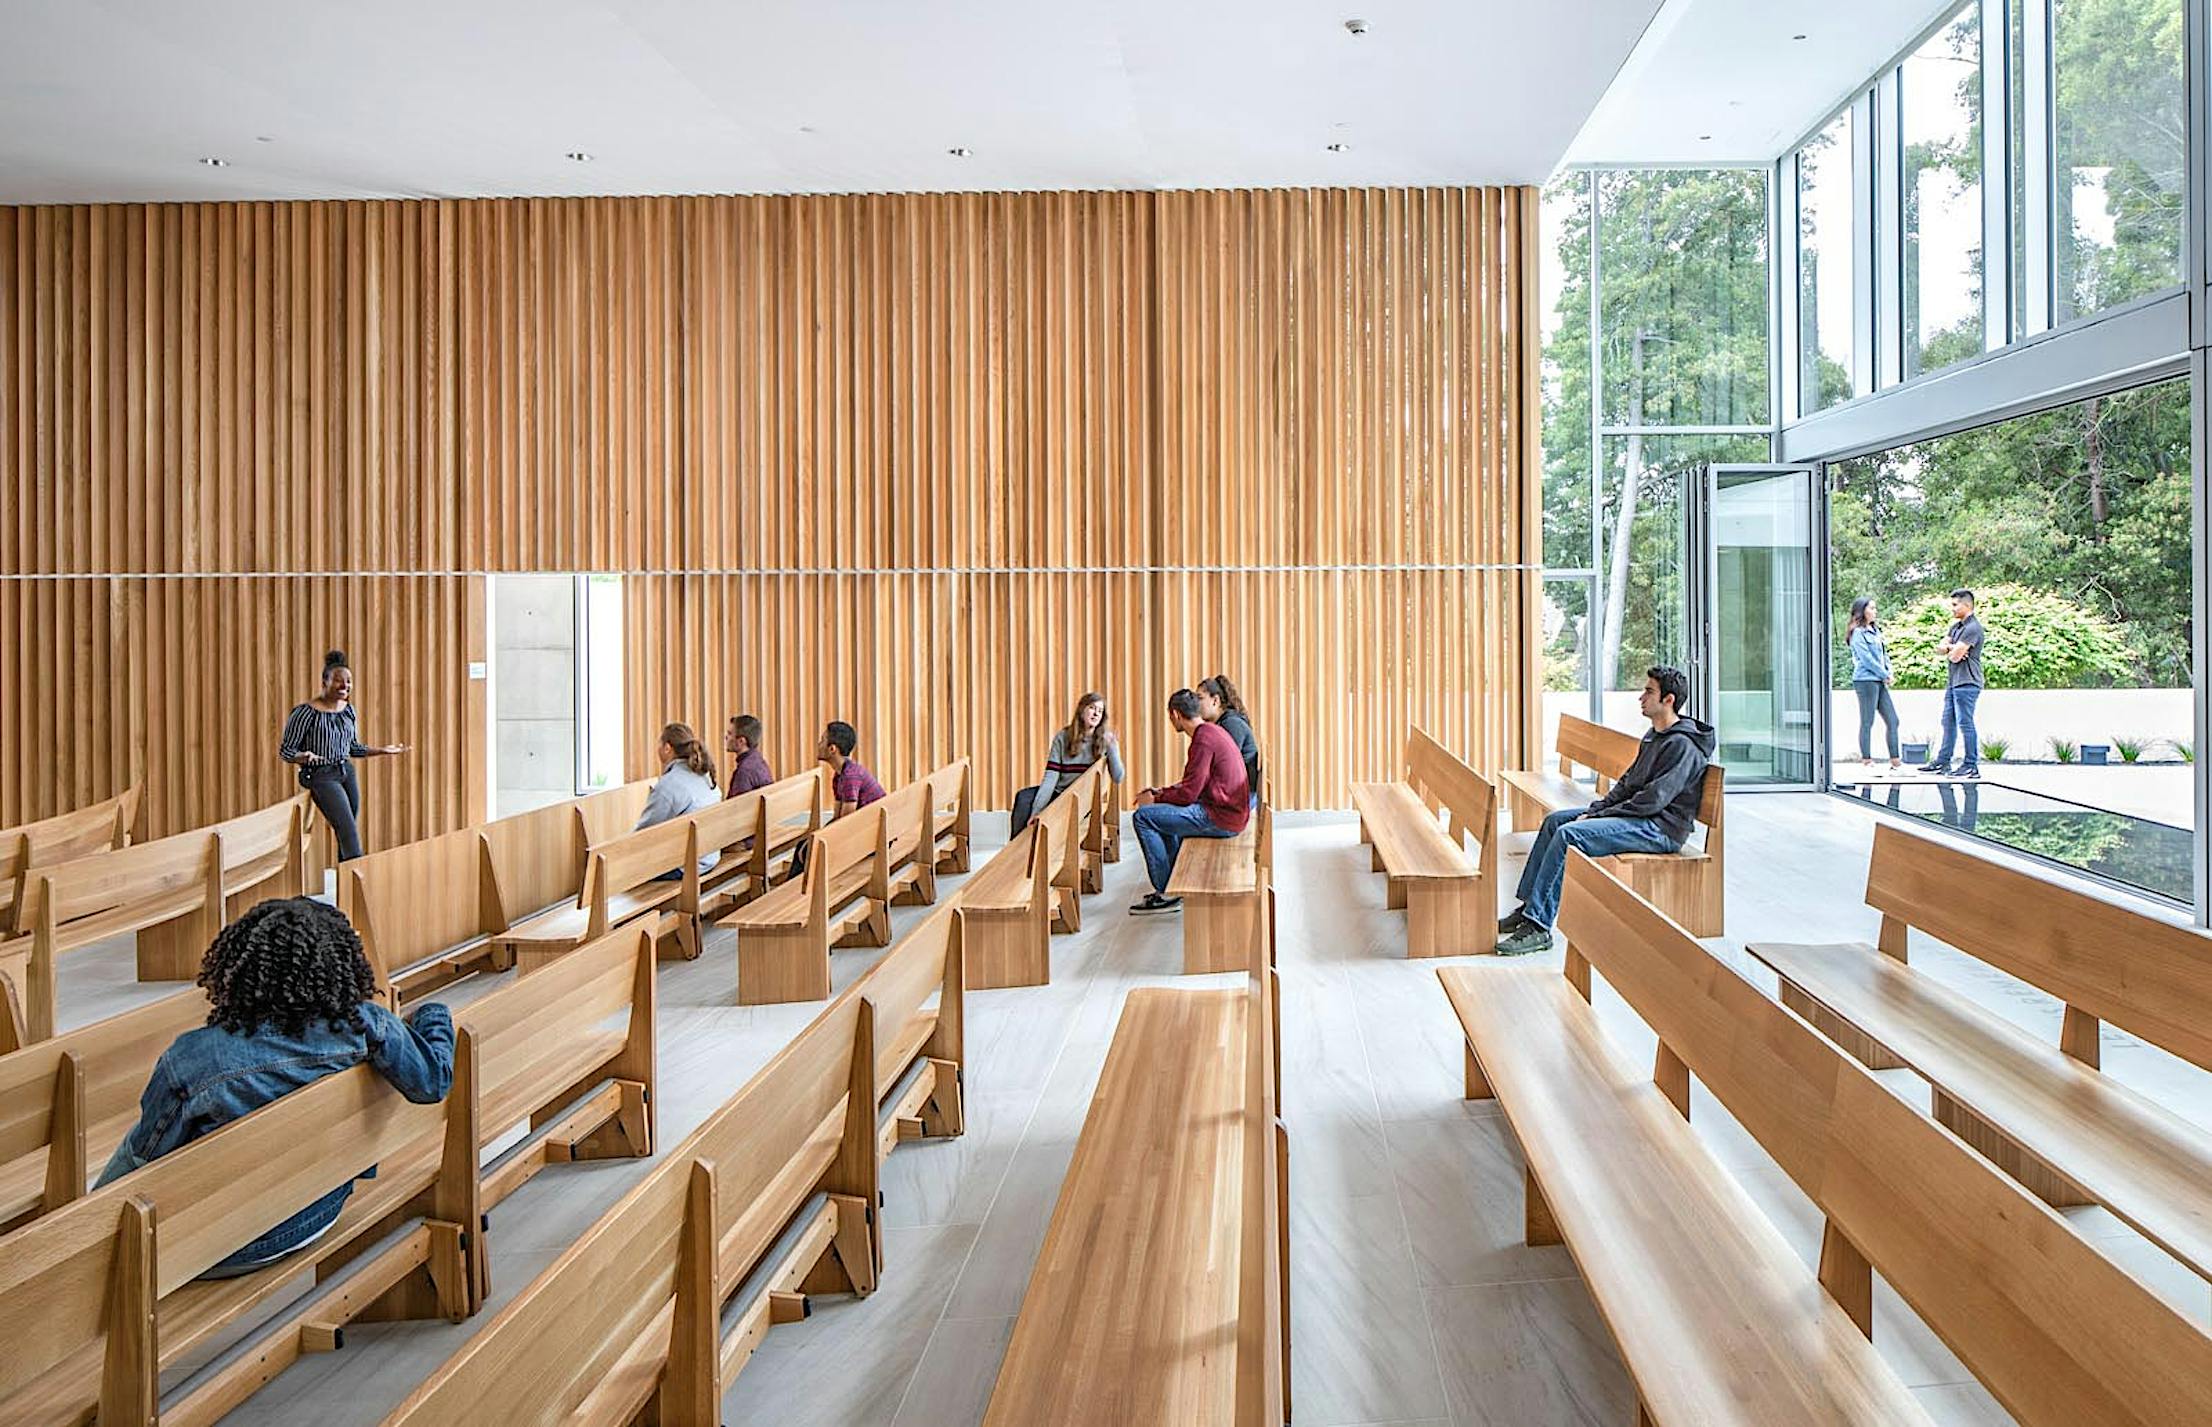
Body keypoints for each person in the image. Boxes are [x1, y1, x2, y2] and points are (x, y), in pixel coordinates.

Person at [97, 898, 453, 1278]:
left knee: (132, 1155)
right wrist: (434, 1016)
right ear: (338, 966)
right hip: (319, 1210)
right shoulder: (367, 1027)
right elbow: (433, 1083)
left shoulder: (193, 1057)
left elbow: (145, 1160)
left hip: (214, 1249)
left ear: (238, 968)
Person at [1495, 666, 1716, 956]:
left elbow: (1653, 800)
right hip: (1640, 818)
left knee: (1569, 835)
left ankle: (1539, 927)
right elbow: (1627, 783)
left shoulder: (1683, 746)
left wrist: (1597, 817)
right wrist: (1597, 809)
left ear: (1669, 700)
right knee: (1554, 822)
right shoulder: (1654, 735)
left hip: (1659, 829)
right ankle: (1528, 909)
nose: (1641, 697)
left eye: (1649, 691)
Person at [279, 649, 410, 863]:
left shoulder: (348, 711)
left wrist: (381, 751)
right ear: (324, 682)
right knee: (348, 829)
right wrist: (301, 756)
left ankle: (346, 886)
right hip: (320, 775)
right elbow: (286, 751)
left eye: (348, 682)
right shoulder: (305, 712)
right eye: (338, 681)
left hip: (345, 771)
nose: (344, 686)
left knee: (346, 828)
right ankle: (360, 879)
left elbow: (352, 748)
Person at [1129, 689, 1251, 916]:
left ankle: (1166, 892)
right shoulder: (1211, 731)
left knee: (1142, 817)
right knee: (1161, 814)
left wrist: (1155, 798)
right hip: (1228, 812)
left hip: (1222, 818)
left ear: (1175, 714)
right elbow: (1192, 785)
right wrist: (1160, 793)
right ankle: (1174, 882)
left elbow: (1188, 795)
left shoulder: (1203, 740)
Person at [1011, 692, 1124, 835]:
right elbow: (1051, 778)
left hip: (1083, 798)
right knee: (1023, 798)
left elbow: (1118, 777)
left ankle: (1030, 847)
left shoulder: (1105, 740)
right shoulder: (1063, 738)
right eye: (1092, 708)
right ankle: (1017, 848)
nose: (1096, 714)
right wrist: (1037, 811)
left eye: (1100, 711)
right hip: (1060, 793)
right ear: (1082, 710)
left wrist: (1113, 748)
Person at [634, 722, 721, 879]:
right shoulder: (704, 774)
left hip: (686, 865)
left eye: (659, 745)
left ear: (667, 748)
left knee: (623, 868)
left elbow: (644, 834)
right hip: (710, 856)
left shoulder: (670, 784)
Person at [1919, 588, 1985, 780]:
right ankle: (1943, 761)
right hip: (1954, 682)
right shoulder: (1955, 628)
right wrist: (1952, 648)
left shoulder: (1973, 628)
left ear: (1967, 605)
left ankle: (1971, 765)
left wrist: (1954, 650)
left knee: (1966, 723)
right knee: (1948, 721)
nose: (1952, 608)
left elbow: (1955, 657)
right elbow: (1941, 649)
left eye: (1955, 605)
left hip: (1968, 682)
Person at [1847, 597, 1901, 770]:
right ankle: (1867, 760)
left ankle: (1895, 761)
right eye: (1871, 608)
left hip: (1879, 679)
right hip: (1865, 680)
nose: (1875, 611)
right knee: (1867, 721)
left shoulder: (1876, 631)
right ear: (1862, 611)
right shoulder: (1858, 633)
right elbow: (1866, 659)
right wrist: (1883, 674)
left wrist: (1888, 672)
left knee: (1893, 720)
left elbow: (1884, 655)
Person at [1197, 675, 1261, 801]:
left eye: (1200, 698)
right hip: (1234, 792)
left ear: (1215, 701)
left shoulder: (1232, 724)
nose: (1196, 704)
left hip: (1241, 797)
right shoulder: (1223, 723)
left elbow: (1223, 766)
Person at [820, 721, 885, 819]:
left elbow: (846, 823)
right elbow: (837, 818)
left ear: (832, 749)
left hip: (873, 827)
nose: (819, 744)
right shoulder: (839, 775)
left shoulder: (850, 776)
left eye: (822, 741)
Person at [725, 714, 775, 795]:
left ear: (741, 741)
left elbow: (737, 806)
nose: (726, 737)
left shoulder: (744, 772)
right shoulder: (759, 762)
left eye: (730, 733)